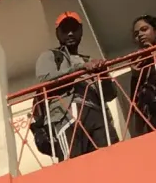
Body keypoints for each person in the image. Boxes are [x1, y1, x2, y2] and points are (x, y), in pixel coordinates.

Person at [30, 10, 112, 161]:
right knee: (74, 165)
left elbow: (109, 95)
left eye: (74, 29)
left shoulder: (89, 59)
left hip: (96, 114)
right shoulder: (50, 56)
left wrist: (104, 74)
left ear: (80, 31)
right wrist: (80, 69)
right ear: (57, 33)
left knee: (108, 160)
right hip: (66, 114)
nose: (69, 34)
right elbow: (45, 81)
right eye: (64, 30)